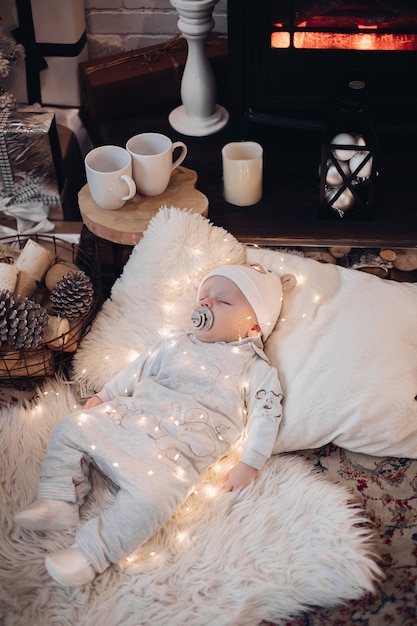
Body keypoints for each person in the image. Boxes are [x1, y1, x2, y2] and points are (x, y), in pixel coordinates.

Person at [15, 263, 290, 587]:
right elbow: (137, 369)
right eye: (203, 297)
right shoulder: (175, 343)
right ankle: (59, 499)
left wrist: (251, 462)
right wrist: (106, 396)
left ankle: (91, 552)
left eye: (223, 301)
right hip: (128, 420)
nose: (206, 304)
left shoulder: (254, 367)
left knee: (154, 501)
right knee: (70, 428)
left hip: (173, 454)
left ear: (255, 326)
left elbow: (266, 412)